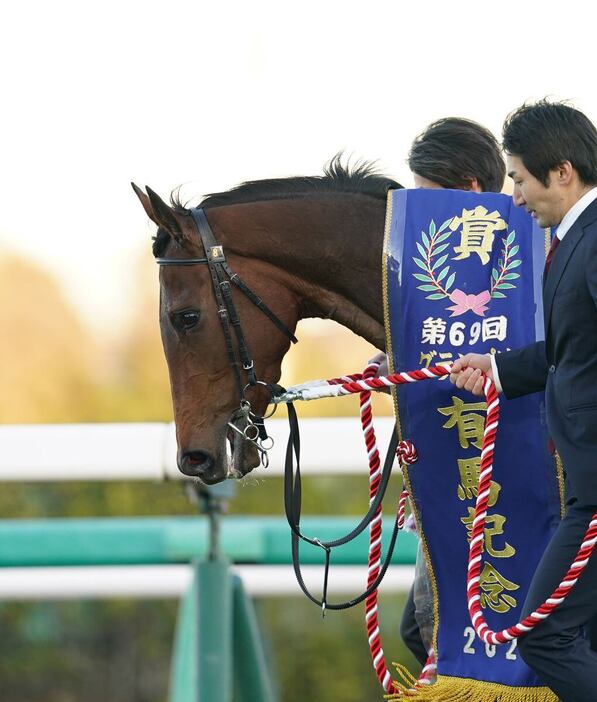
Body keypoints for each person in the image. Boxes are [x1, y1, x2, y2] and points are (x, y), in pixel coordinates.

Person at [450, 99, 597, 702]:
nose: (514, 196)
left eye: (518, 177)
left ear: (561, 172)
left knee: (546, 637)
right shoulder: (574, 241)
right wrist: (497, 369)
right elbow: (574, 354)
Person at [379, 117, 506, 668]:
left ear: (468, 187)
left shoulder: (517, 257)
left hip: (488, 477)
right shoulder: (454, 264)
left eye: (428, 195)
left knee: (438, 632)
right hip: (447, 470)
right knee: (417, 627)